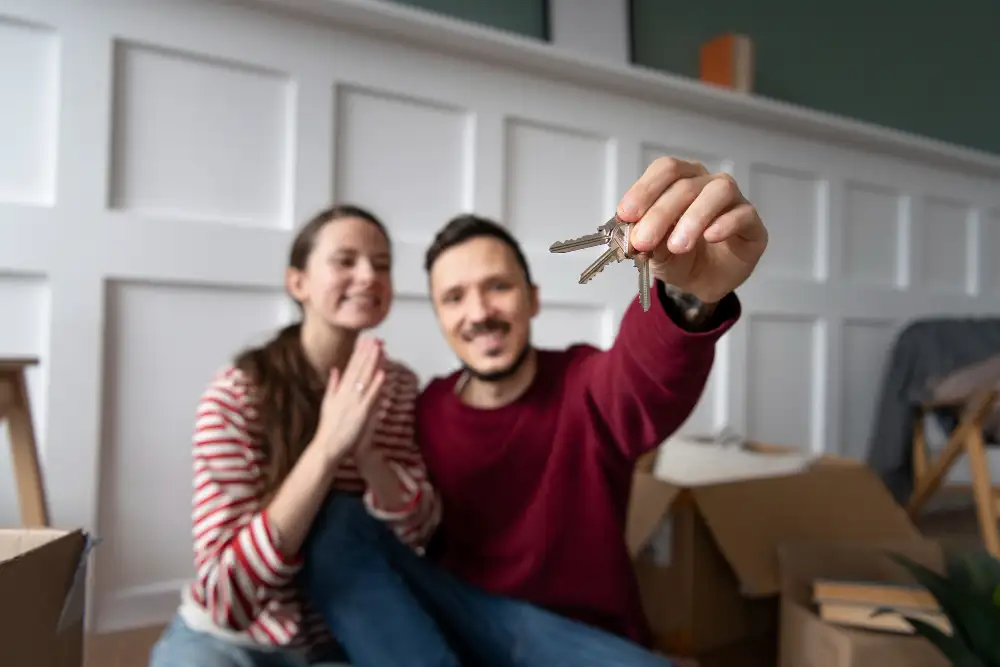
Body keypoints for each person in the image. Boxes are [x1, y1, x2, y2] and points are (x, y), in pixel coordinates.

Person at [298, 156, 768, 666]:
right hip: (458, 626)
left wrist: (690, 291)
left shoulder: (583, 384)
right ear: (439, 318)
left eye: (497, 287)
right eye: (454, 298)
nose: (479, 314)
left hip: (576, 641)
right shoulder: (422, 409)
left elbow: (646, 378)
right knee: (338, 524)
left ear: (533, 299)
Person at [146, 204, 446, 667]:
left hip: (339, 641)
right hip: (233, 640)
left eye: (381, 265)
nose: (368, 276)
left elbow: (421, 531)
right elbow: (227, 598)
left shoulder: (400, 387)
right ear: (298, 282)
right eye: (345, 261)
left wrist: (369, 458)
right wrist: (327, 449)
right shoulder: (238, 394)